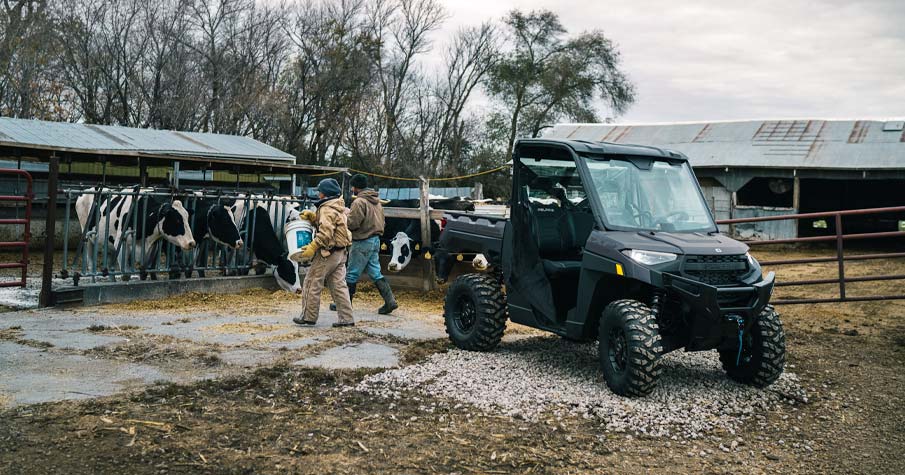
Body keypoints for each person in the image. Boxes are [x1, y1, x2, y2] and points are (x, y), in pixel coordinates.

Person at [330, 174, 398, 314]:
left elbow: (353, 223)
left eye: (352, 187)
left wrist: (346, 217)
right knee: (375, 272)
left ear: (356, 187)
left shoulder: (359, 202)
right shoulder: (376, 201)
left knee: (351, 274)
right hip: (375, 240)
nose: (352, 189)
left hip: (362, 241)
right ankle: (390, 301)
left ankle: (344, 304)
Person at [293, 178, 354, 327]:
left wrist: (313, 246)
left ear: (325, 194)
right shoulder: (338, 206)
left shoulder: (326, 209)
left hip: (327, 253)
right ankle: (347, 318)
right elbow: (331, 225)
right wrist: (314, 218)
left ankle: (308, 316)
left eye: (319, 191)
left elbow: (326, 233)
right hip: (341, 253)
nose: (318, 194)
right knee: (339, 286)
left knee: (311, 281)